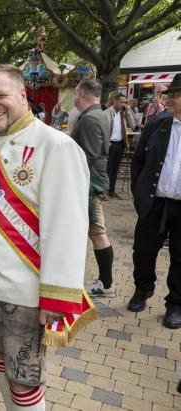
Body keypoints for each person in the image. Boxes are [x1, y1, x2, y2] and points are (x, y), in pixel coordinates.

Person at [0, 64, 95, 411]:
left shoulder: (56, 146)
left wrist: (57, 294)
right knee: (1, 363)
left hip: (27, 288)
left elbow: (67, 226)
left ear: (23, 96)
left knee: (24, 377)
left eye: (1, 96)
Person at [128, 73, 181, 329]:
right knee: (143, 252)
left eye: (175, 95)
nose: (168, 99)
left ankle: (176, 304)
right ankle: (143, 289)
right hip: (154, 204)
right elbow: (137, 161)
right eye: (169, 94)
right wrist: (138, 194)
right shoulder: (157, 126)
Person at [72, 79, 116, 297]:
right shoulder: (100, 114)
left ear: (80, 93)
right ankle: (105, 281)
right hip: (94, 182)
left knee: (98, 232)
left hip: (90, 184)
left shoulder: (90, 118)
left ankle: (106, 284)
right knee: (96, 231)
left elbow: (86, 156)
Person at [104, 92, 136, 199]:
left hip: (120, 144)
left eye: (125, 102)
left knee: (115, 169)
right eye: (122, 102)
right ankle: (103, 190)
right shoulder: (107, 113)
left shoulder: (124, 113)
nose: (124, 104)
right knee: (107, 169)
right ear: (115, 101)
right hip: (110, 144)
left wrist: (128, 112)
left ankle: (111, 190)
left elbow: (133, 125)